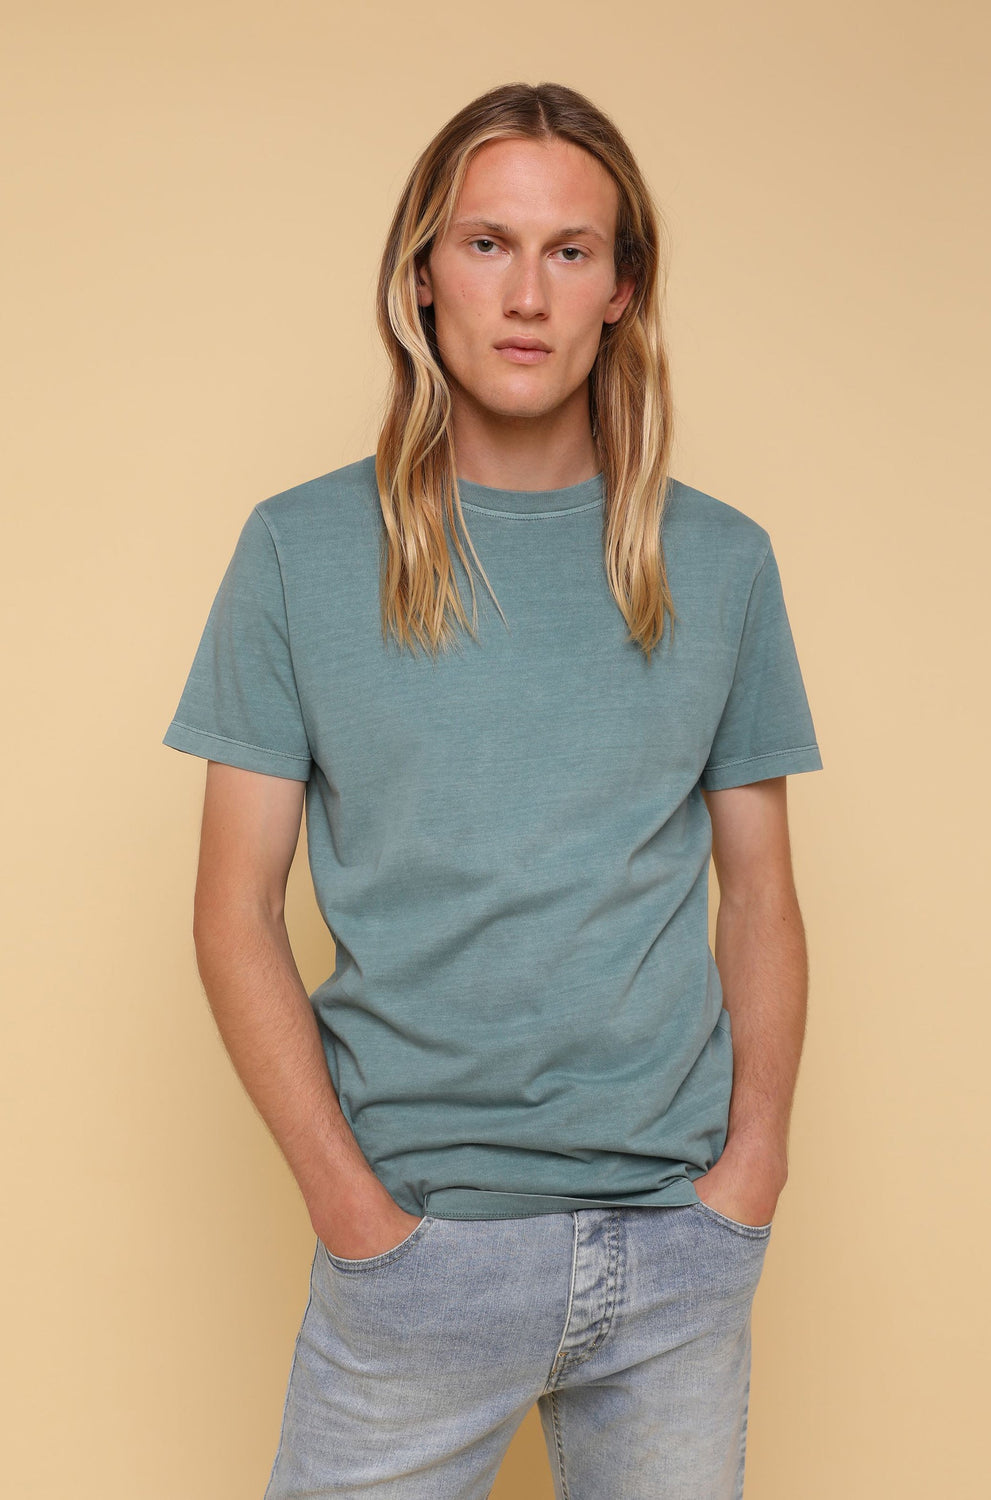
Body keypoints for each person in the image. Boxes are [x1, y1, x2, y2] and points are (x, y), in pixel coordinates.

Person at [163, 80, 822, 1500]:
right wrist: (351, 1209)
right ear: (423, 273)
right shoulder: (296, 551)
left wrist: (751, 1172)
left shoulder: (724, 563)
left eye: (570, 251)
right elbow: (233, 911)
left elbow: (762, 891)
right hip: (419, 1250)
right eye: (487, 244)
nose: (527, 294)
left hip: (679, 1249)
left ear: (622, 290)